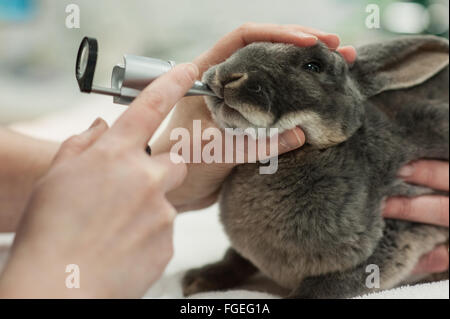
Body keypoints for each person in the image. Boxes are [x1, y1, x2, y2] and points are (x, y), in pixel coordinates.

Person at [0, 24, 447, 298]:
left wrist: (164, 171)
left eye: (312, 68)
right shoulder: (241, 159)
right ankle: (241, 259)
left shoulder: (364, 159)